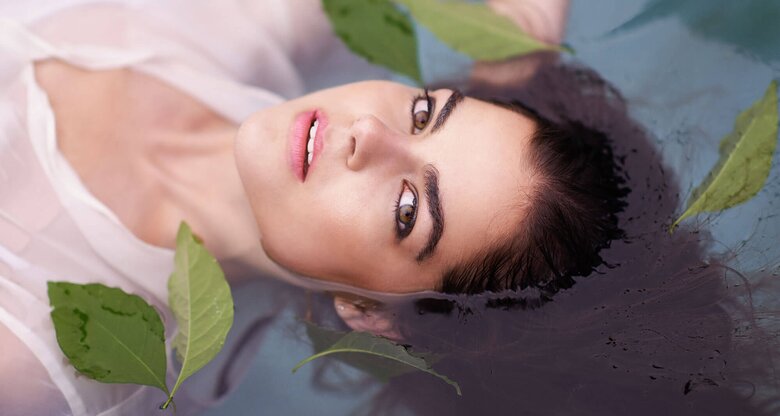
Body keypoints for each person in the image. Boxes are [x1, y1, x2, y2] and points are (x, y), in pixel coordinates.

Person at [0, 0, 633, 415]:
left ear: (368, 311)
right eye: (424, 113)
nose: (369, 133)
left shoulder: (37, 358)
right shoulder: (257, 21)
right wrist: (510, 58)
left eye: (407, 211)